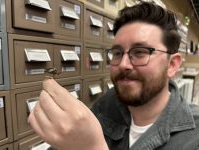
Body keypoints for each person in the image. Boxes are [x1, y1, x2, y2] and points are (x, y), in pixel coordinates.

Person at [28, 2, 199, 150]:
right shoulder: (109, 103)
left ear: (172, 65)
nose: (123, 64)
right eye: (117, 53)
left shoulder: (194, 138)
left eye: (140, 52)